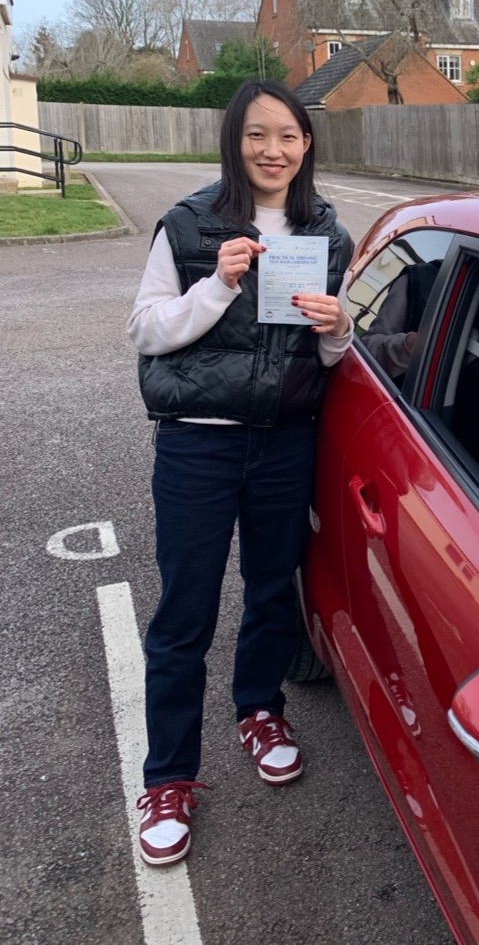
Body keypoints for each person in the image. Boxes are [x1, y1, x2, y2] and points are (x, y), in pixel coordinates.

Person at [126, 79, 353, 867]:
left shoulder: (326, 233)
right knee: (184, 611)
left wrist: (338, 327)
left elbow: (327, 358)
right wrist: (216, 284)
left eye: (287, 136)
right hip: (199, 443)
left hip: (285, 440)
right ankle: (169, 776)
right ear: (235, 140)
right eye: (257, 135)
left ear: (306, 145)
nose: (272, 150)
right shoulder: (189, 224)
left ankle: (258, 710)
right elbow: (148, 331)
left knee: (269, 592)